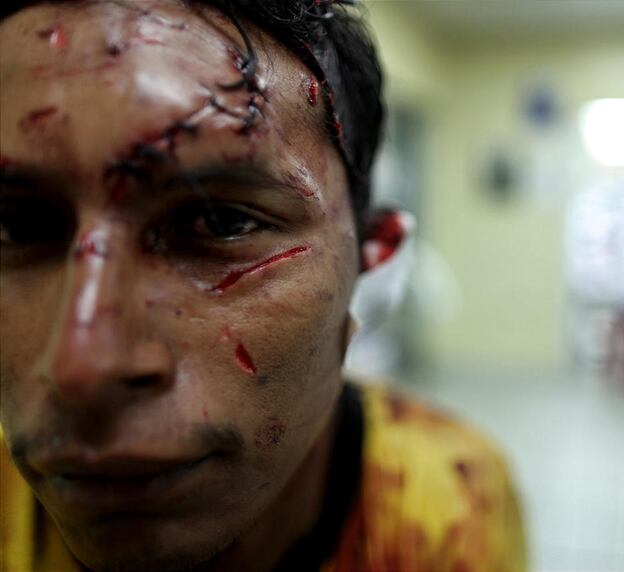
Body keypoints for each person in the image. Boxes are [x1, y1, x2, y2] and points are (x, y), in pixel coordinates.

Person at [0, 1, 527, 571]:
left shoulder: (454, 498)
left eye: (221, 222)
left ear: (373, 264)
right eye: (16, 227)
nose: (84, 368)